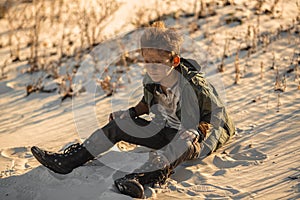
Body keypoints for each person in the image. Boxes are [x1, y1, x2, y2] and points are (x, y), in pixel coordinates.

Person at [31, 21, 235, 198]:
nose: (152, 67)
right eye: (147, 61)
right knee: (118, 125)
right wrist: (129, 114)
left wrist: (198, 131)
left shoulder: (194, 84)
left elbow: (216, 114)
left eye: (158, 62)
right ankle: (69, 160)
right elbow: (146, 104)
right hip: (165, 131)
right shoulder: (151, 80)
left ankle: (142, 178)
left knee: (182, 142)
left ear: (174, 61)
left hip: (195, 138)